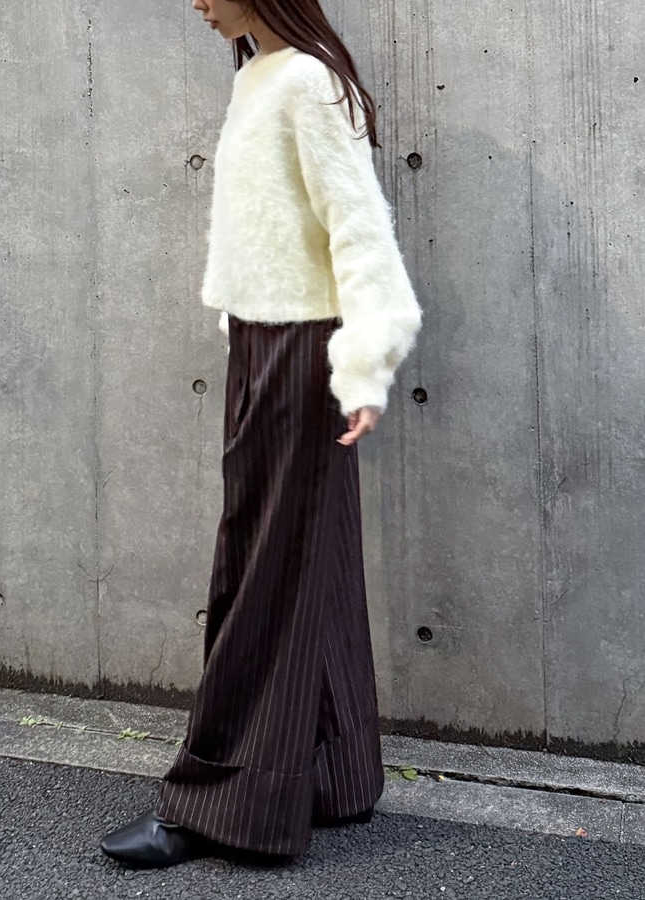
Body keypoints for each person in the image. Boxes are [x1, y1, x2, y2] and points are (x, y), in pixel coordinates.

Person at [100, 0, 422, 869]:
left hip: (302, 348)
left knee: (260, 571)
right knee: (307, 557)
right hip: (263, 339)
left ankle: (219, 804)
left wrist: (364, 364)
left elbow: (357, 224)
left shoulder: (308, 82)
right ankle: (334, 775)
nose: (196, 3)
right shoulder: (259, 76)